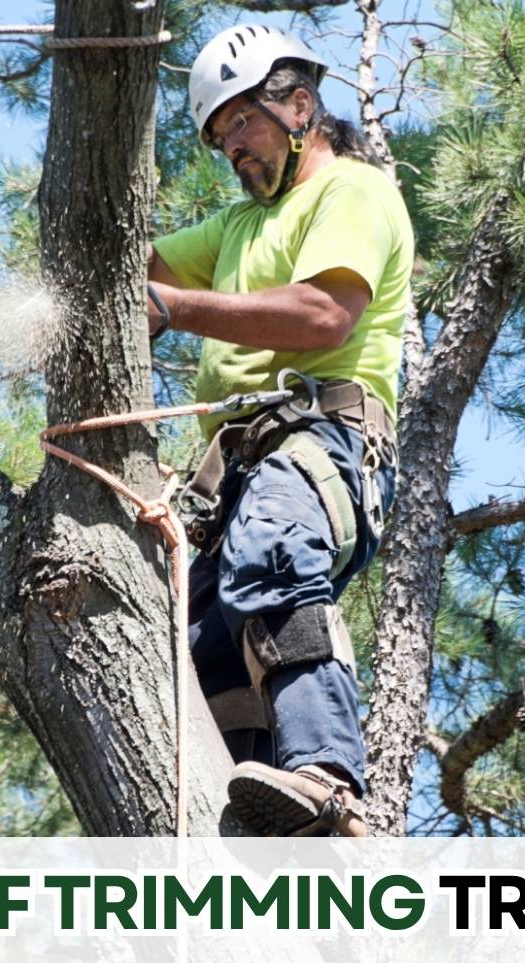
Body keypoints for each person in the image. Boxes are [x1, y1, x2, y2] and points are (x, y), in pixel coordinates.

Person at [146, 24, 414, 837]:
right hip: (236, 479)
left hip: (320, 442)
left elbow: (325, 314)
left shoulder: (352, 194)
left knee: (272, 555)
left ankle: (327, 777)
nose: (234, 149)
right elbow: (139, 267)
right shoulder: (233, 228)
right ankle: (265, 820)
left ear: (300, 105)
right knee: (201, 644)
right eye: (221, 138)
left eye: (244, 123)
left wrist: (176, 310)